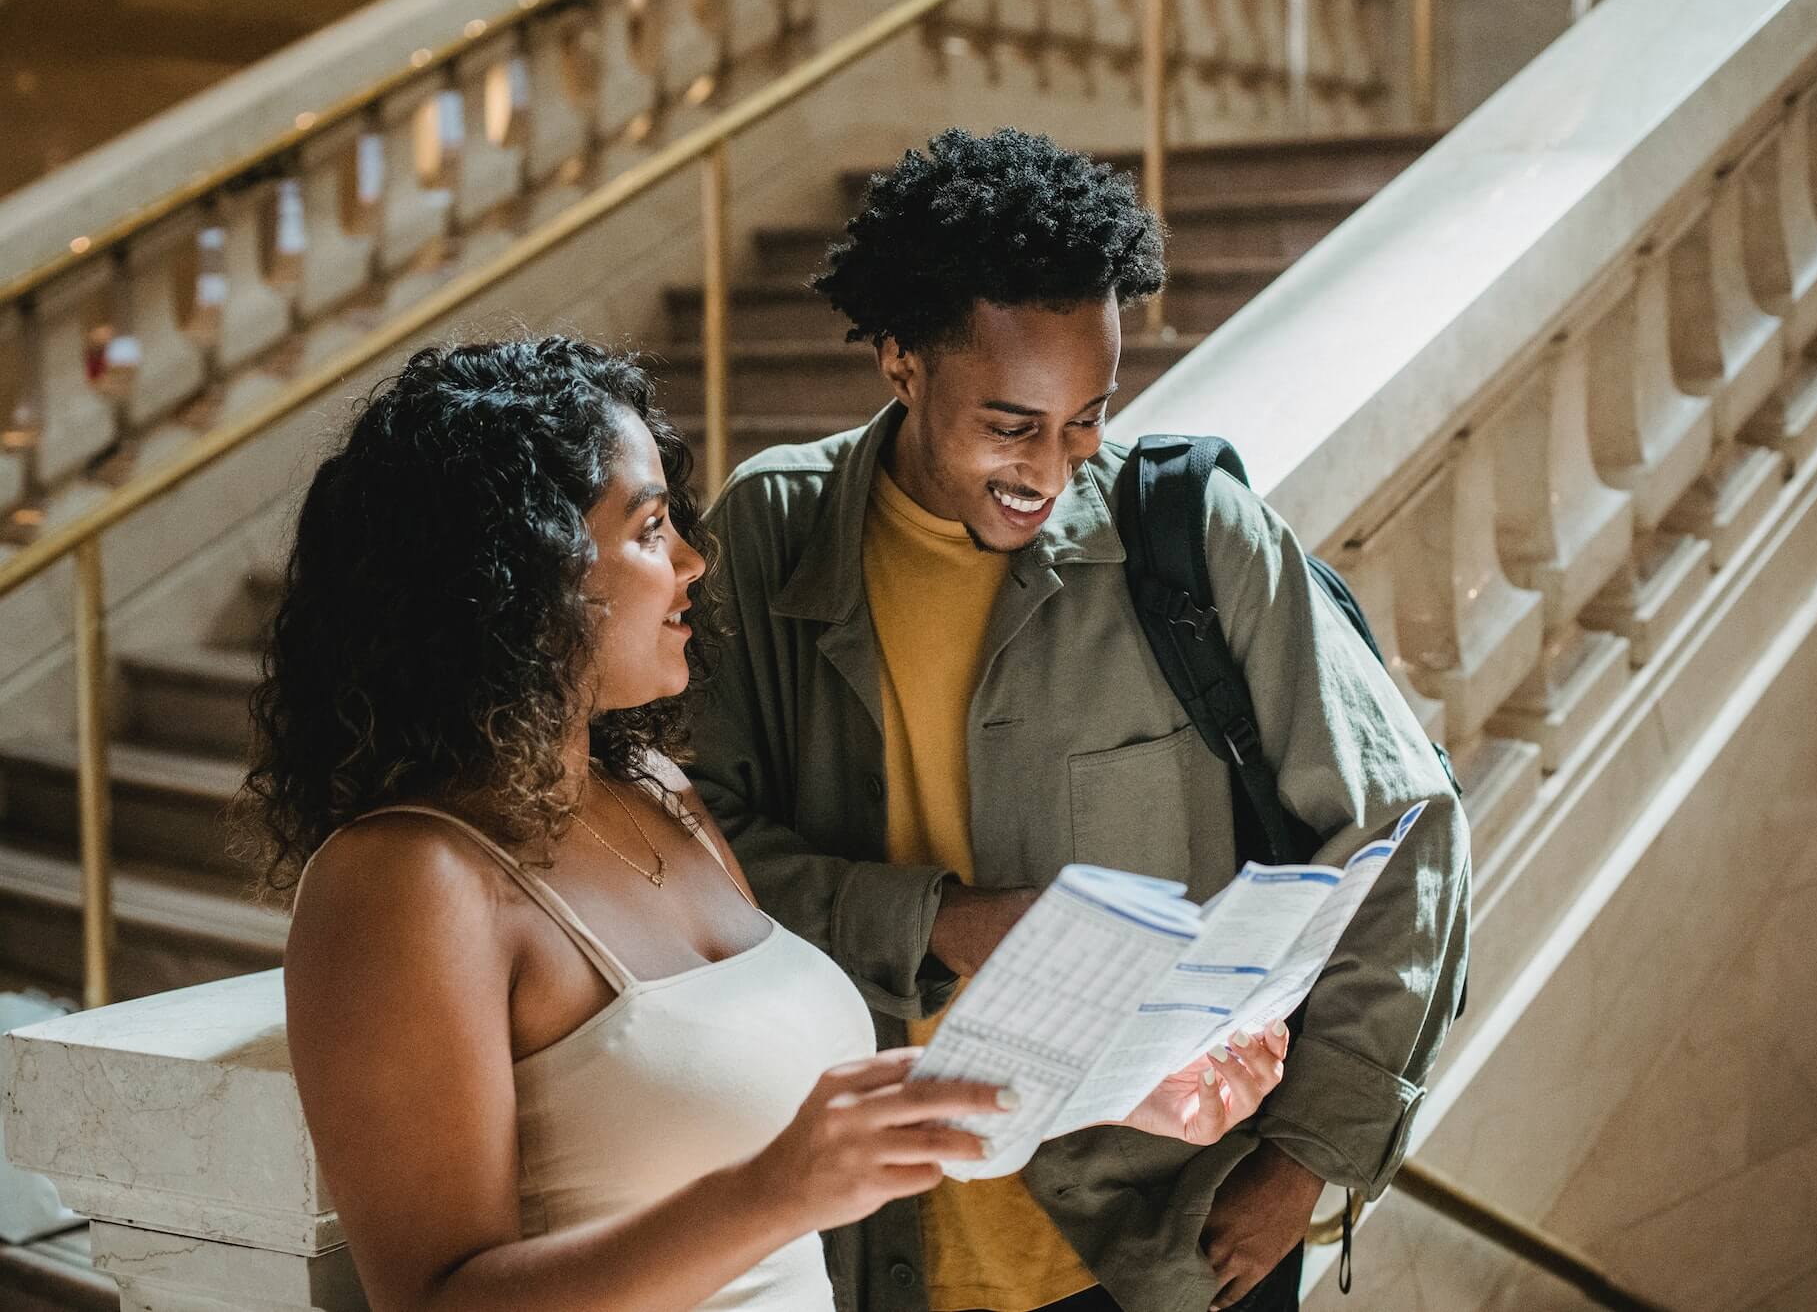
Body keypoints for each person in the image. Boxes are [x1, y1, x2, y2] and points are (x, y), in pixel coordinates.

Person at [251, 337, 1287, 1312]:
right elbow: (434, 1300)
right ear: (518, 576)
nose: (695, 563)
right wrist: (771, 1194)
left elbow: (790, 1123)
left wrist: (1113, 1085)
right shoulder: (403, 880)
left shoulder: (657, 789)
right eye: (651, 529)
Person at [687, 129, 1473, 1312]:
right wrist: (945, 922)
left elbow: (1407, 827)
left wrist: (1303, 1162)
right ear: (900, 359)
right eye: (1010, 424)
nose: (1050, 470)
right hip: (874, 1249)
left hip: (1162, 1251)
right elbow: (697, 862)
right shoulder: (767, 536)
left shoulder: (1192, 536)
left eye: (1086, 419)